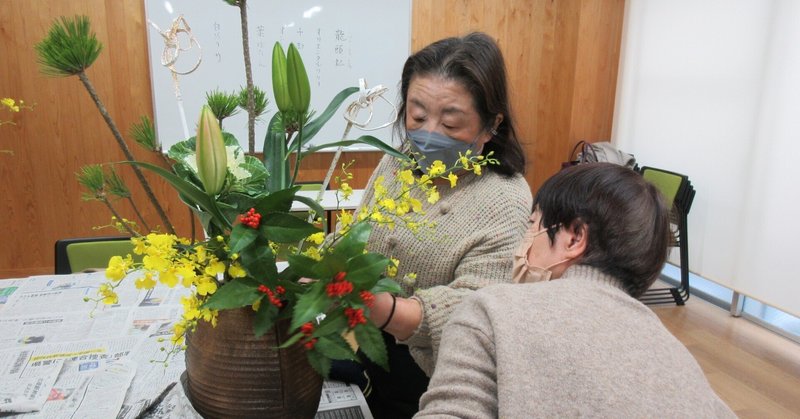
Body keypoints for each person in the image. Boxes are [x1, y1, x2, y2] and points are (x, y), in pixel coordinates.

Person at [415, 163, 736, 418]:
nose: (523, 242)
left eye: (532, 225)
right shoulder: (677, 357)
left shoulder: (492, 311)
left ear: (573, 238)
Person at [336, 32, 532, 417]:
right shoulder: (398, 161)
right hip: (373, 351)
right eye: (418, 115)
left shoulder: (505, 199)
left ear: (491, 124)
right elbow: (358, 234)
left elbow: (473, 310)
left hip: (435, 379)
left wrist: (381, 307)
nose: (428, 135)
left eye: (451, 123)